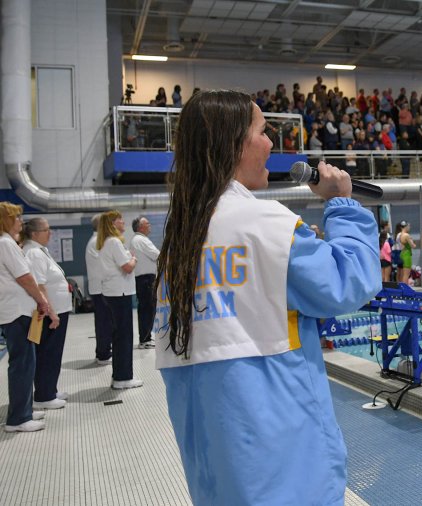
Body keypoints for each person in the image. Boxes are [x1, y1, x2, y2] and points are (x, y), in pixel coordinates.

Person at [153, 90, 380, 505]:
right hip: (283, 469)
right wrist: (342, 204)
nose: (271, 144)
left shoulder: (179, 238)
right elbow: (349, 283)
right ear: (235, 144)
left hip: (215, 475)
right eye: (262, 132)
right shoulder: (264, 223)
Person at [0, 202, 57, 433]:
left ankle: (25, 409)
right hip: (17, 312)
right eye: (16, 217)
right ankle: (18, 419)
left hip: (16, 310)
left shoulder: (7, 242)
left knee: (26, 362)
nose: (20, 221)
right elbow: (25, 278)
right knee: (22, 364)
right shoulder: (6, 243)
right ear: (6, 220)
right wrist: (42, 301)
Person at [22, 218, 71, 410]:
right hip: (50, 313)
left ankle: (50, 389)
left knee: (53, 353)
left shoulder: (40, 250)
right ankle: (44, 396)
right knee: (48, 353)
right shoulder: (34, 253)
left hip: (57, 310)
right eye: (46, 230)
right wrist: (52, 312)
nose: (50, 233)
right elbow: (40, 286)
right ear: (34, 233)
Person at [98, 210, 141, 389]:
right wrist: (134, 258)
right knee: (124, 336)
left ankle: (120, 375)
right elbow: (127, 267)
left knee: (119, 335)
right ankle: (123, 378)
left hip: (113, 292)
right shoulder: (114, 242)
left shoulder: (107, 242)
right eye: (119, 219)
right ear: (112, 224)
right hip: (119, 293)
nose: (123, 222)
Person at [85, 214, 112, 365]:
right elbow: (106, 264)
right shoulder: (97, 242)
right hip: (101, 289)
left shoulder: (97, 241)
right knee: (104, 323)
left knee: (104, 322)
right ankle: (103, 354)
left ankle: (103, 351)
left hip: (100, 288)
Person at [130, 216, 160, 349]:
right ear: (140, 227)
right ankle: (145, 339)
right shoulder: (141, 240)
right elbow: (157, 255)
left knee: (146, 309)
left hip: (143, 279)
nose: (150, 225)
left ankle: (146, 338)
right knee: (147, 309)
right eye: (147, 223)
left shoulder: (138, 239)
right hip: (146, 279)